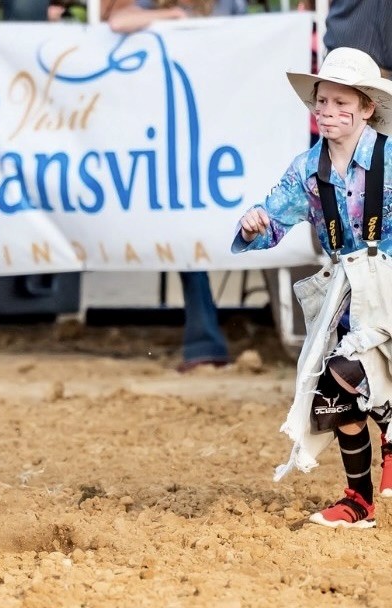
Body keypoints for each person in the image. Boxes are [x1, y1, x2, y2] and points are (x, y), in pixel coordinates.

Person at [234, 47, 392, 528]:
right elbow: (272, 223)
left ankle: (362, 492)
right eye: (322, 101)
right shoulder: (307, 169)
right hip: (348, 292)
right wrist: (253, 225)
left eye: (341, 102)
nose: (328, 111)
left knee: (341, 377)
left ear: (367, 107)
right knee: (340, 389)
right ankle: (360, 497)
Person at [109, 0, 245, 373]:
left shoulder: (229, 6)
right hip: (183, 133)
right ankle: (205, 339)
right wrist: (170, 18)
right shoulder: (165, 5)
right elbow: (119, 20)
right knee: (186, 228)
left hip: (224, 130)